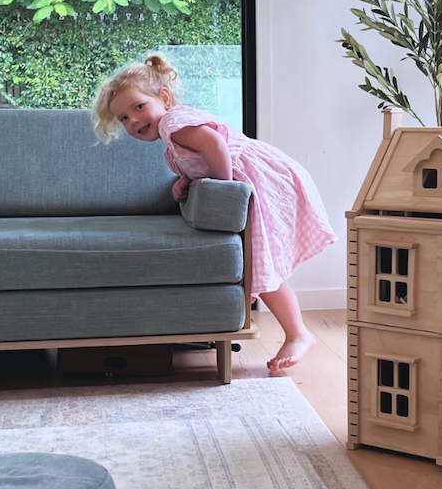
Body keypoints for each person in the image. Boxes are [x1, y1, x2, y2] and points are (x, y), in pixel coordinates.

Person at [92, 54, 335, 373]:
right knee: (261, 265)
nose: (134, 120)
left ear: (164, 97)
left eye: (139, 107)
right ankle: (296, 332)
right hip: (258, 180)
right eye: (124, 118)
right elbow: (202, 157)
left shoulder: (173, 124)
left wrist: (223, 190)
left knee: (262, 264)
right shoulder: (171, 138)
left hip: (263, 179)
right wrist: (187, 180)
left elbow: (216, 146)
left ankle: (298, 333)